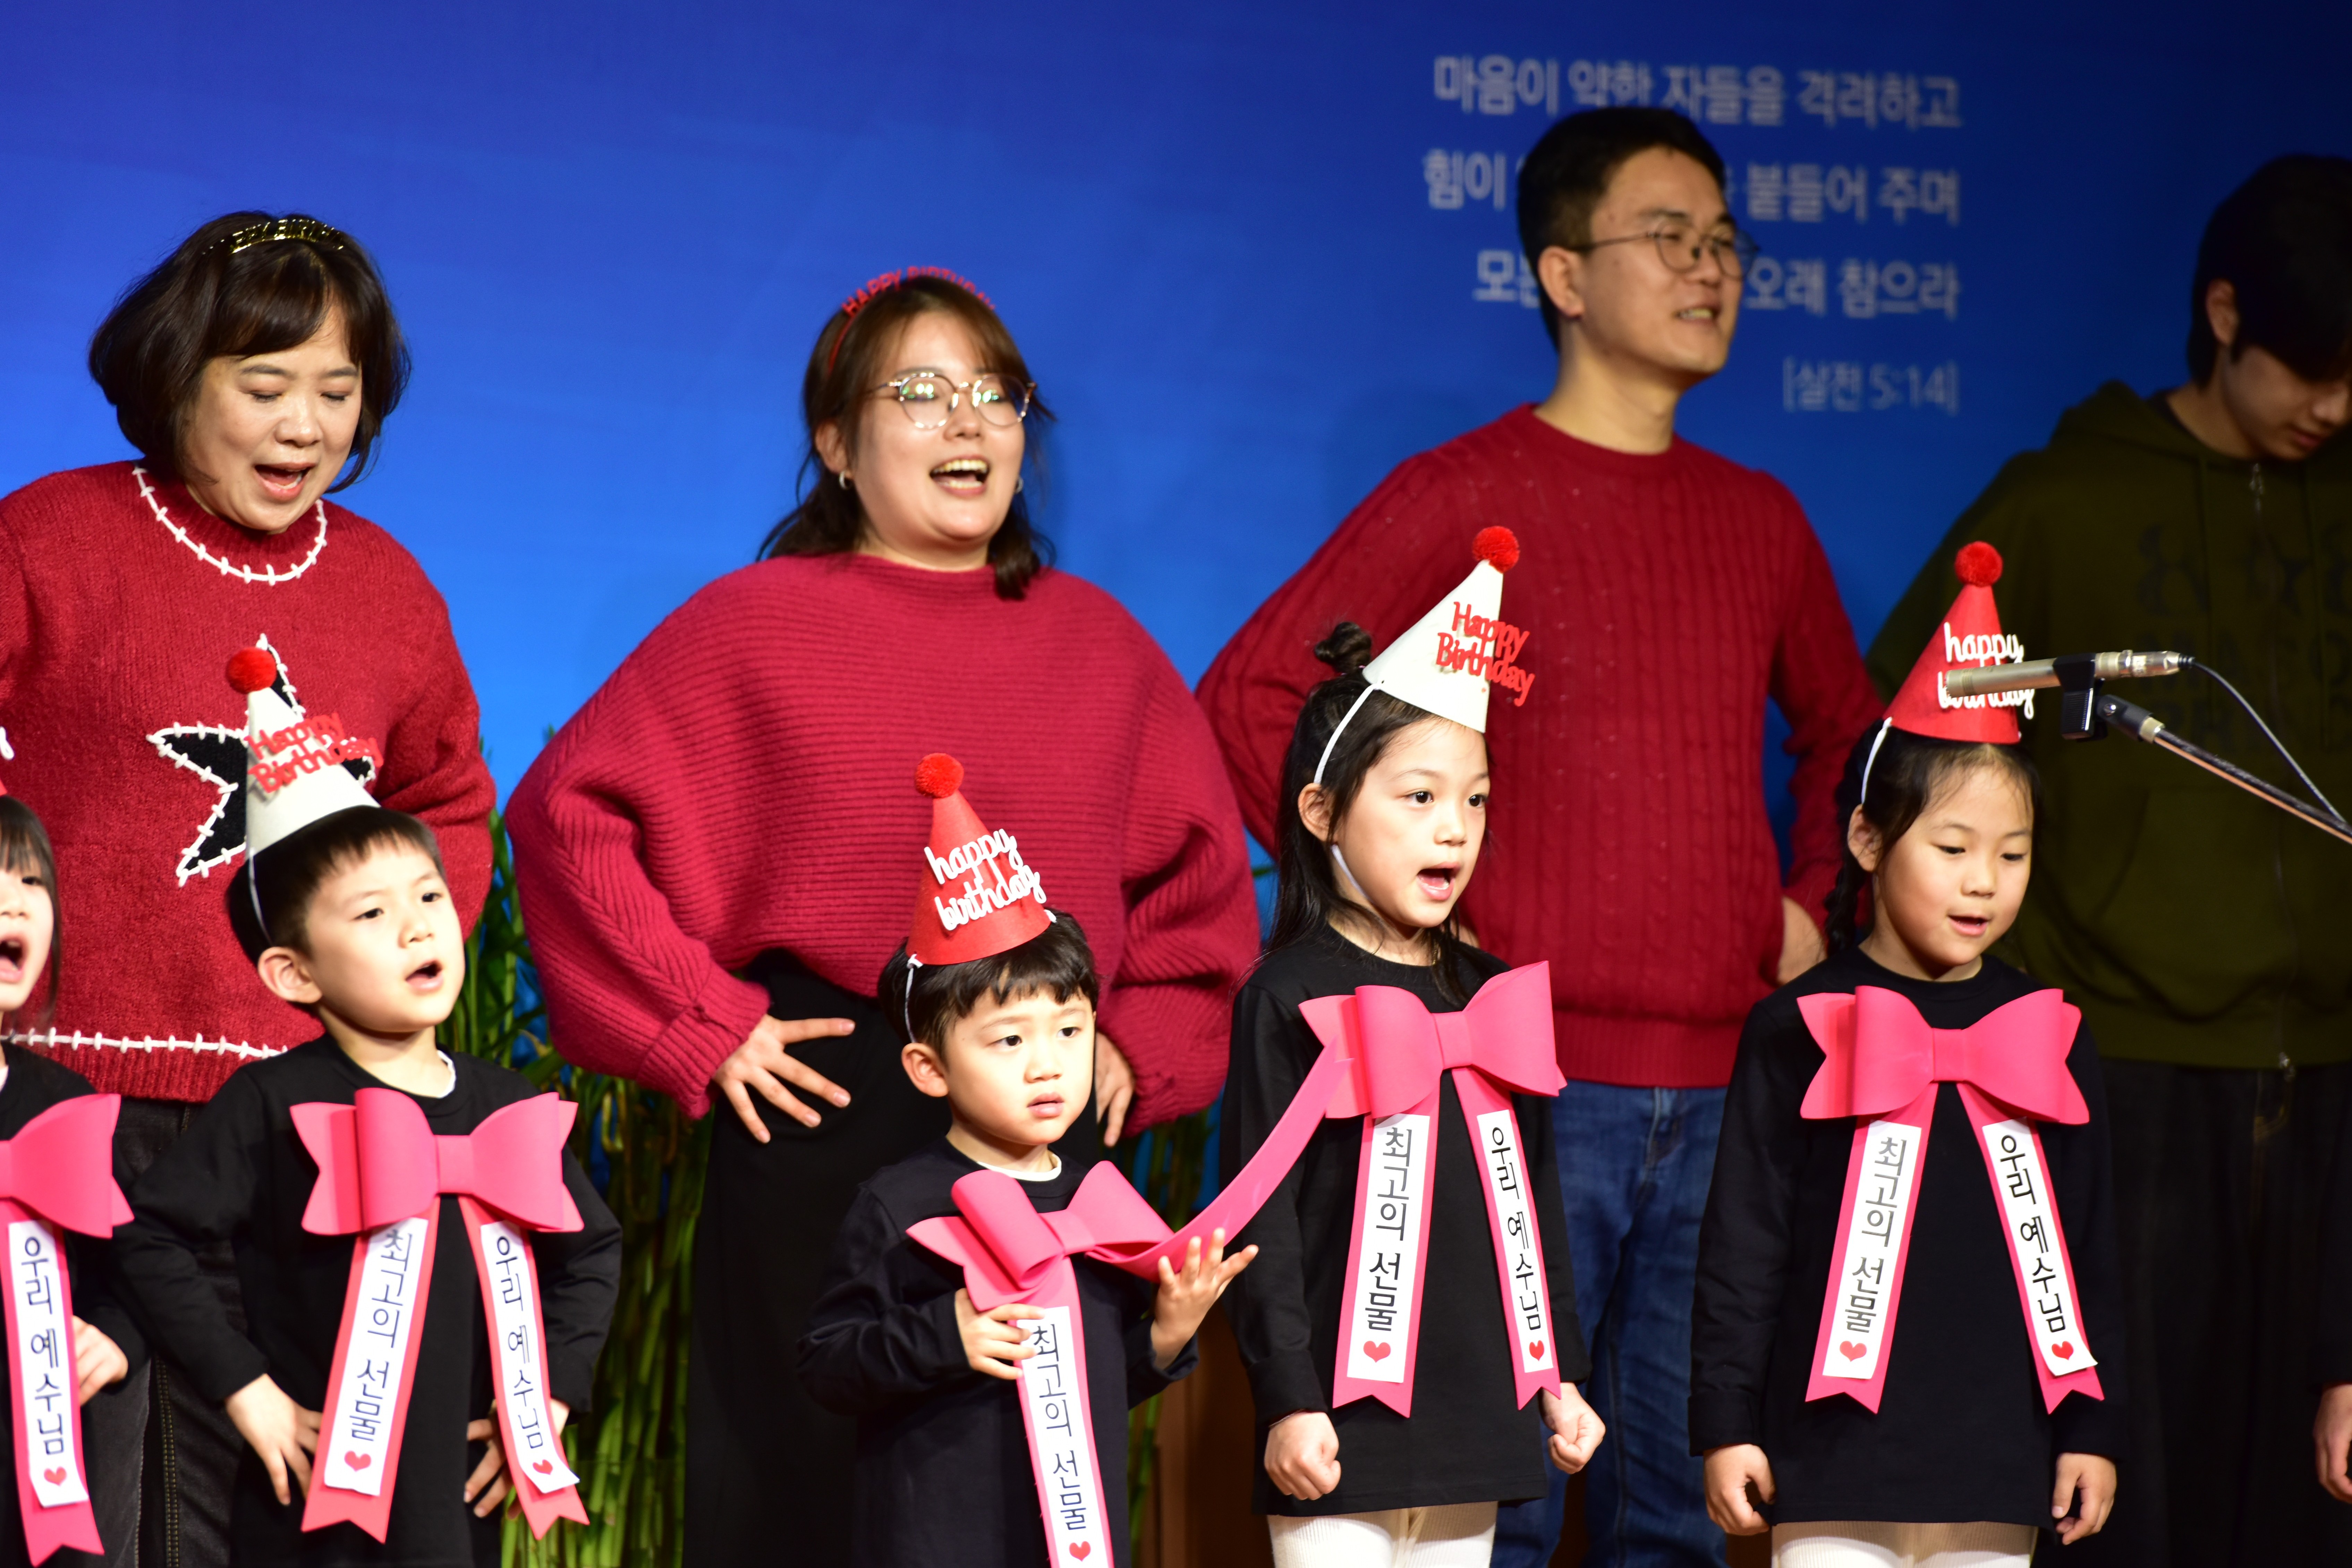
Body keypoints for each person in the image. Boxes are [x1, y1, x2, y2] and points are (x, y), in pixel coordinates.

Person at [1199, 109, 1880, 1565]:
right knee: (1493, 1500)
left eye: (1726, 241)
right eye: (1668, 237)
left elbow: (1851, 734)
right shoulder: (1459, 491)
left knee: (1678, 1513)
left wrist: (1813, 895)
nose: (1710, 268)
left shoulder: (1761, 517)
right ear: (1564, 275)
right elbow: (1254, 694)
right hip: (1511, 1085)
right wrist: (1394, 926)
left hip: (1723, 1085)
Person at [504, 268, 1260, 1565]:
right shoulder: (750, 628)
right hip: (825, 1106)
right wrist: (701, 1023)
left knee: (1025, 1480)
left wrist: (1139, 1041)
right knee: (802, 1482)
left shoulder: (1102, 646)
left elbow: (1200, 886)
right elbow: (568, 816)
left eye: (995, 393)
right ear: (837, 442)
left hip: (1039, 1115)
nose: (967, 420)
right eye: (918, 391)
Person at [1865, 155, 2352, 1566]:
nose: (2334, 408)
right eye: (2310, 368)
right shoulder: (2064, 500)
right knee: (2121, 1491)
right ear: (2223, 314)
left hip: (2335, 1074)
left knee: (2310, 1495)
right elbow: (1908, 733)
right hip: (2120, 1070)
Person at [0, 210, 496, 1568]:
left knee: (297, 1485)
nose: (306, 426)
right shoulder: (50, 537)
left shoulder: (389, 588)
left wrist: (387, 962)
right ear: (176, 376)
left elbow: (450, 799)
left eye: (337, 390)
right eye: (266, 385)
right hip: (82, 1113)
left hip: (313, 1120)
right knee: (106, 1484)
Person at [113, 658, 619, 1567]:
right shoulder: (272, 1102)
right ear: (294, 973)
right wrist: (244, 1388)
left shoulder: (507, 1106)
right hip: (311, 1510)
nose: (419, 927)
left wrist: (547, 1397)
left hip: (459, 1499)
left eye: (429, 897)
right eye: (373, 914)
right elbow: (149, 1236)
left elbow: (591, 1251)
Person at [1694, 547, 2125, 1566]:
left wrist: (2093, 1426)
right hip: (1831, 1455)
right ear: (1867, 839)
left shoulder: (2048, 1029)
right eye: (1953, 848)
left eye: (2012, 854)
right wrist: (1724, 1420)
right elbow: (1744, 1244)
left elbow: (2089, 1245)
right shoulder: (1797, 1026)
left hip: (2000, 1452)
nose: (1984, 882)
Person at [1219, 533, 1604, 1567]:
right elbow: (1264, 1223)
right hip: (1336, 1428)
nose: (1455, 828)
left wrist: (1559, 1376)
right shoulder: (1284, 995)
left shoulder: (1494, 993)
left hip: (1476, 1413)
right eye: (1419, 797)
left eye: (1475, 799)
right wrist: (1287, 1398)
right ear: (1322, 812)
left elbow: (1535, 1207)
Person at [798, 754, 1251, 1568]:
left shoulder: (1098, 1204)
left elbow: (1098, 1387)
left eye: (1070, 1031)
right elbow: (827, 1364)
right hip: (933, 1542)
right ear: (929, 1069)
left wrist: (1166, 1335)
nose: (1047, 1065)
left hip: (1068, 1538)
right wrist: (946, 1333)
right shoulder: (899, 1204)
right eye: (1009, 1041)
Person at [0, 788, 143, 1567]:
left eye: (32, 881)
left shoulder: (65, 1108)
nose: (14, 902)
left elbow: (131, 1272)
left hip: (37, 1486)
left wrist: (116, 1338)